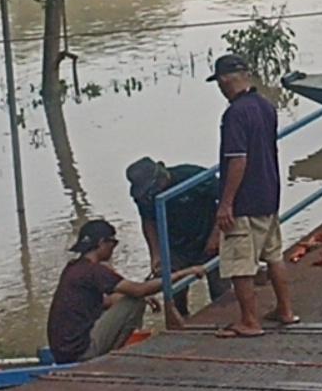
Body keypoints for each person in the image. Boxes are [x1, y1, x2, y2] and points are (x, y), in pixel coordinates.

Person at [209, 53, 297, 339]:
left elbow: (238, 160)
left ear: (225, 80)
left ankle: (249, 321)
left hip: (245, 201)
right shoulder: (266, 106)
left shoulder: (234, 114)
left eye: (219, 82)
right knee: (274, 256)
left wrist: (226, 203)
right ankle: (285, 310)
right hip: (269, 193)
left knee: (240, 264)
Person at [45, 219, 203, 364]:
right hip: (81, 352)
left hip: (63, 352)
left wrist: (141, 296)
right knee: (136, 301)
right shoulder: (94, 271)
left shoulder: (73, 268)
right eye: (113, 243)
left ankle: (106, 355)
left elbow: (106, 301)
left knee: (135, 298)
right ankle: (109, 358)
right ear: (102, 243)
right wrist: (183, 273)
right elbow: (139, 290)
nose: (113, 249)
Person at [126, 157, 228, 327]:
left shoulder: (193, 176)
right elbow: (148, 222)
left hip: (207, 237)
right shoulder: (145, 197)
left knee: (221, 289)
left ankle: (225, 322)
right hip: (174, 247)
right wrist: (156, 254)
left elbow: (226, 202)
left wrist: (217, 234)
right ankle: (181, 326)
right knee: (174, 291)